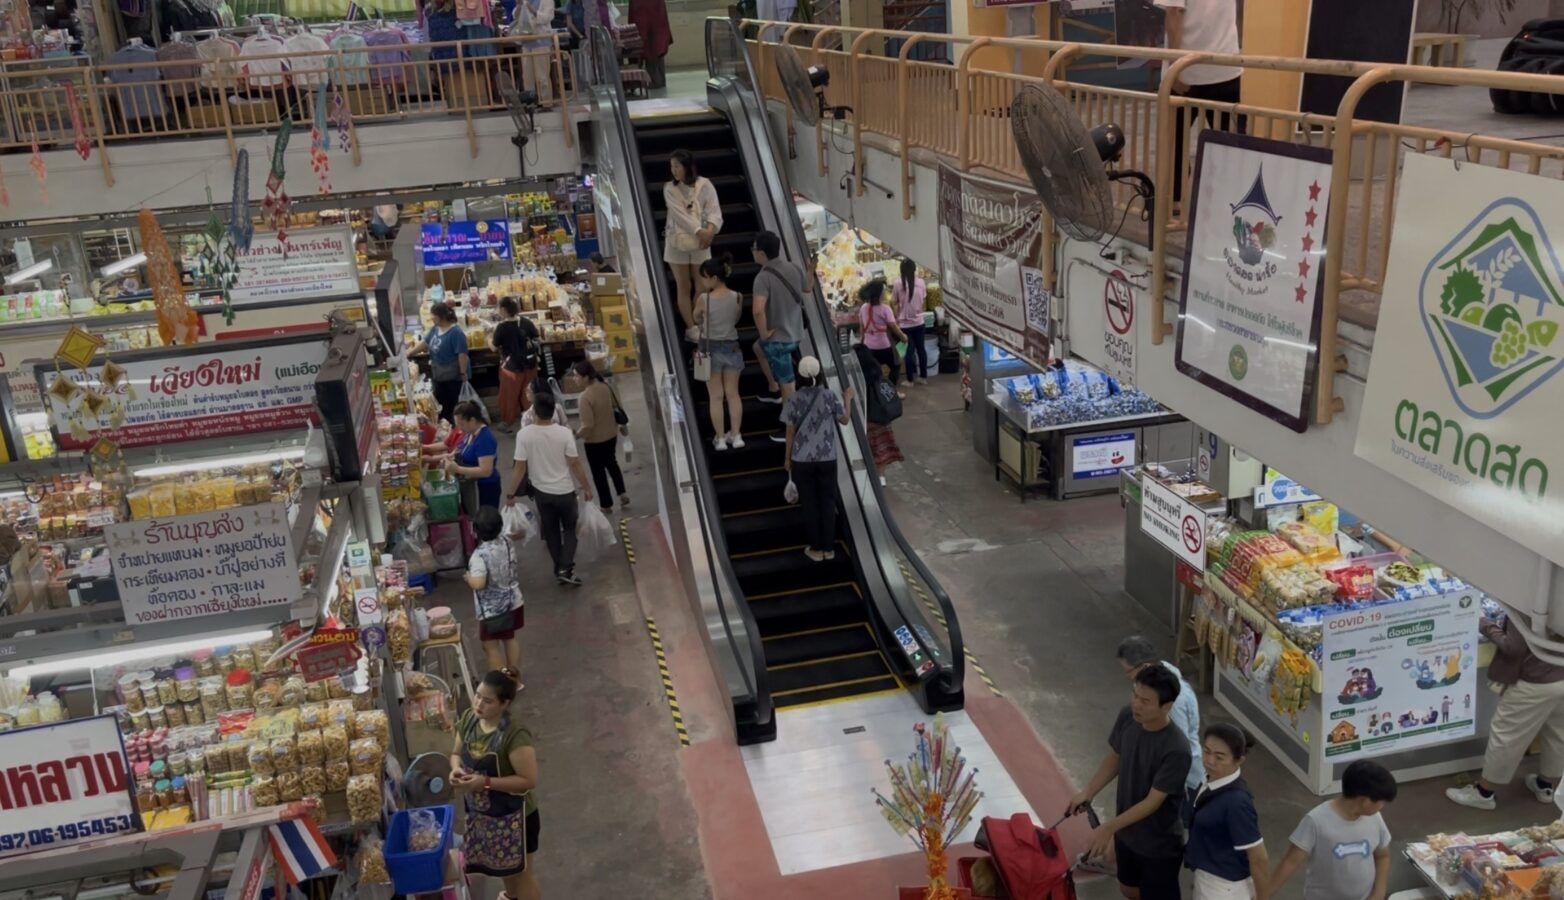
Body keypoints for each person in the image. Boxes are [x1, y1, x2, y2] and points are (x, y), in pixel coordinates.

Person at [1066, 664, 1191, 900]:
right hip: (1127, 834)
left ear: (1167, 706)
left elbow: (1152, 802)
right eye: (1135, 695)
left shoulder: (1176, 749)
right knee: (1128, 888)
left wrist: (1108, 828)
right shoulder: (1128, 717)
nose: (1136, 704)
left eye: (1145, 701)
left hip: (1158, 844)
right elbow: (1116, 756)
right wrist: (1088, 791)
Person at [1445, 614, 1564, 810]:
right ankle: (1546, 786)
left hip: (1535, 681)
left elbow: (1513, 647)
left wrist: (1481, 621)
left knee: (1507, 736)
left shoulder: (1530, 600)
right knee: (1558, 733)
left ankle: (1484, 793)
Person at [451, 669, 540, 900]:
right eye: (478, 696)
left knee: (522, 874)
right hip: (485, 816)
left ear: (504, 704)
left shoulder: (514, 734)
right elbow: (455, 753)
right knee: (505, 870)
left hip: (516, 817)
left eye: (488, 701)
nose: (479, 704)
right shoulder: (471, 720)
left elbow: (528, 781)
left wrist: (485, 782)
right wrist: (456, 769)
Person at [1156, 0, 1242, 204]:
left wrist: (1175, 69)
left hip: (1188, 73)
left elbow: (1174, 13)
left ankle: (1173, 201)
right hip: (1226, 67)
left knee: (1173, 141)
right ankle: (1229, 201)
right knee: (1228, 144)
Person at [1270, 760, 1395, 900]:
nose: (1382, 806)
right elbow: (1290, 862)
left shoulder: (1375, 818)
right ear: (1364, 800)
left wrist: (1378, 893)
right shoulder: (1316, 821)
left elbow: (1382, 856)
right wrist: (1262, 895)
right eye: (1382, 802)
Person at [508, 391, 593, 586]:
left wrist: (510, 493)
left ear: (535, 411)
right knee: (571, 528)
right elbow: (575, 463)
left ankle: (560, 570)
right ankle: (565, 567)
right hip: (565, 491)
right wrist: (586, 487)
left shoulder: (524, 435)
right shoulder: (564, 433)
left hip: (542, 494)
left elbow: (519, 467)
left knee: (552, 531)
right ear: (554, 411)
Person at [1118, 635, 1205, 809]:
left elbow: (1177, 744)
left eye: (1128, 672)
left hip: (1184, 781)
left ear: (1145, 666)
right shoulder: (1161, 673)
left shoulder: (1172, 703)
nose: (1129, 678)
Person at [1185, 723, 1270, 900]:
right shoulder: (1211, 778)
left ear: (1239, 760)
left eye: (1220, 757)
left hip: (1223, 888)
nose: (1209, 760)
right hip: (1207, 876)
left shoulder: (1236, 803)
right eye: (1206, 751)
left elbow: (1258, 857)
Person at [782, 356, 854, 563]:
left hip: (802, 460)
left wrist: (787, 459)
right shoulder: (829, 396)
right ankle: (829, 548)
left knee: (810, 504)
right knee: (827, 501)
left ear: (800, 377)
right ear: (820, 374)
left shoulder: (793, 399)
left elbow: (789, 432)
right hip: (827, 458)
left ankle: (815, 548)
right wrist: (847, 398)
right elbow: (845, 420)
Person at [751, 230, 809, 424]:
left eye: (754, 249)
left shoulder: (762, 278)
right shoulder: (794, 268)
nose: (752, 252)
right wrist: (811, 271)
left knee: (789, 386)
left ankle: (791, 427)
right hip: (796, 333)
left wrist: (764, 333)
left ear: (761, 253)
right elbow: (808, 288)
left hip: (778, 341)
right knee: (757, 347)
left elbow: (758, 310)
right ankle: (772, 386)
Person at [664, 149, 724, 330]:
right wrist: (700, 231)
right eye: (672, 166)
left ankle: (697, 319)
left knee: (702, 285)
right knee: (683, 284)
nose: (674, 170)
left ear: (687, 166)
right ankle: (691, 327)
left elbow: (714, 209)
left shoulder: (705, 185)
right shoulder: (669, 188)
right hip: (677, 241)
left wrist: (711, 230)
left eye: (677, 166)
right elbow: (679, 215)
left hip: (702, 242)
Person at [465, 508, 524, 680]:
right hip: (514, 601)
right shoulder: (506, 542)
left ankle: (500, 683)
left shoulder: (479, 556)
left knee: (490, 646)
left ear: (476, 531)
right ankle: (514, 678)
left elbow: (479, 583)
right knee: (510, 639)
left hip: (493, 610)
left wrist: (469, 578)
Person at [694, 255, 746, 450]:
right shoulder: (738, 296)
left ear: (713, 278)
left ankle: (721, 438)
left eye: (704, 278)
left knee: (715, 396)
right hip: (732, 347)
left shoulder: (703, 299)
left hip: (709, 349)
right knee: (733, 394)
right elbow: (736, 318)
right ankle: (737, 435)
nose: (702, 281)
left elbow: (696, 318)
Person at [569, 360, 629, 514]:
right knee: (612, 464)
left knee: (599, 473)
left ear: (586, 377)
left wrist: (576, 435)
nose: (574, 379)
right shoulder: (605, 387)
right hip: (611, 435)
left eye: (576, 376)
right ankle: (622, 493)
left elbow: (588, 425)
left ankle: (606, 504)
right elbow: (616, 406)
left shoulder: (584, 397)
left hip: (594, 441)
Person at [411, 302, 469, 425]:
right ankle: (446, 428)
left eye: (433, 316)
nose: (431, 318)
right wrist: (409, 353)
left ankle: (456, 430)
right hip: (439, 375)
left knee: (452, 404)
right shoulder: (435, 329)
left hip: (452, 376)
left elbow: (462, 354)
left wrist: (463, 372)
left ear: (440, 316)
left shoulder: (456, 333)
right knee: (442, 404)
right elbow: (425, 344)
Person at [492, 297, 541, 431]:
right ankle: (534, 420)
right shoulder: (526, 322)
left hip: (511, 368)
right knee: (530, 394)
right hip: (530, 364)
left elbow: (494, 347)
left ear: (503, 310)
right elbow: (537, 338)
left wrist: (488, 340)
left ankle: (507, 422)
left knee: (509, 396)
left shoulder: (501, 328)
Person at [445, 400, 502, 512]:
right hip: (472, 485)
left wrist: (458, 469)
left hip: (486, 487)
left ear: (472, 420)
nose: (460, 428)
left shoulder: (485, 439)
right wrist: (452, 455)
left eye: (462, 424)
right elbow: (461, 448)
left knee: (484, 522)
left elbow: (486, 471)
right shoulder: (470, 432)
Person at [857, 280, 908, 398]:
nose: (885, 292)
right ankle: (892, 391)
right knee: (896, 365)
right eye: (883, 290)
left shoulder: (863, 308)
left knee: (874, 371)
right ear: (879, 294)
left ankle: (876, 395)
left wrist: (862, 342)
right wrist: (903, 337)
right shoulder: (885, 309)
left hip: (869, 347)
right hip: (883, 346)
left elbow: (861, 329)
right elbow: (893, 327)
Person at [893, 258, 930, 385]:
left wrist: (897, 314)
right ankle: (923, 377)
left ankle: (910, 380)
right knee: (921, 350)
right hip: (919, 322)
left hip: (904, 325)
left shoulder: (897, 283)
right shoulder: (921, 282)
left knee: (909, 352)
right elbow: (923, 301)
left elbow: (894, 302)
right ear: (914, 269)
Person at [514, 0, 556, 104]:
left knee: (542, 76)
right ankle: (531, 103)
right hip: (526, 42)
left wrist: (532, 10)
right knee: (527, 76)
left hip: (541, 41)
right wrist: (519, 6)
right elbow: (516, 16)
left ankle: (546, 103)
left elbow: (548, 17)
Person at [628, 0, 671, 88]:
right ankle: (659, 81)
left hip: (648, 30)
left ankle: (654, 82)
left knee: (651, 55)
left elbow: (636, 15)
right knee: (657, 56)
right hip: (658, 29)